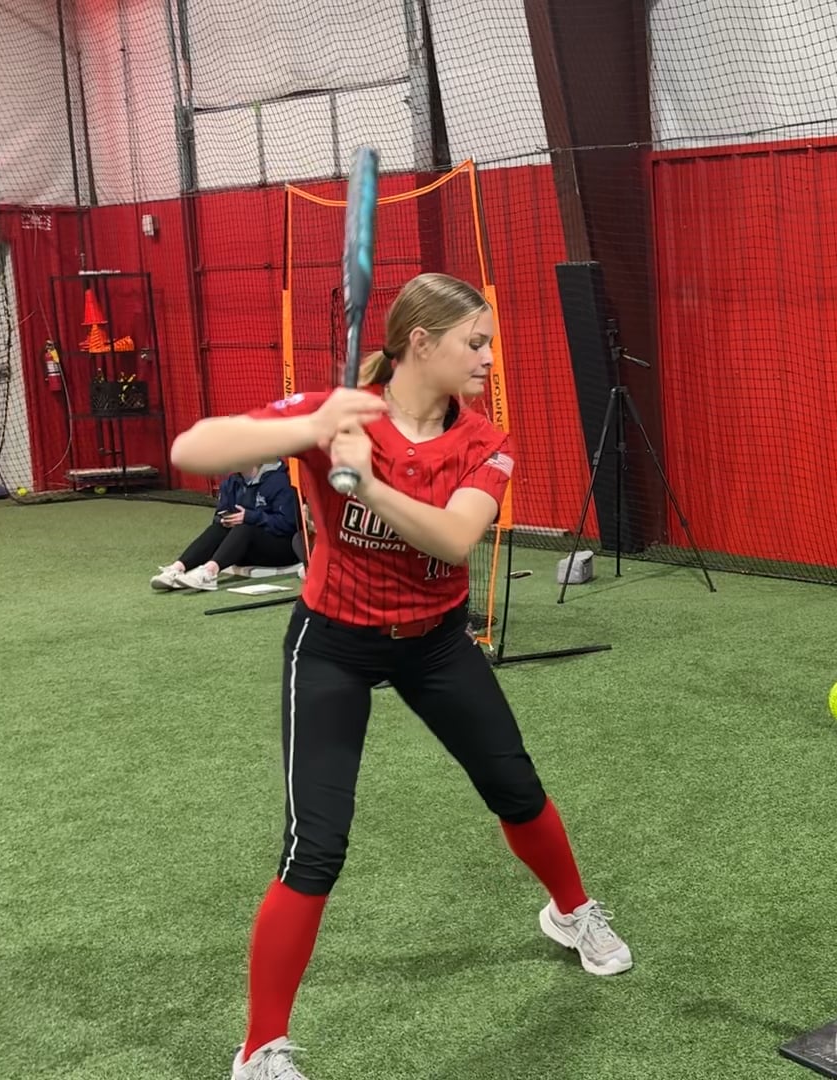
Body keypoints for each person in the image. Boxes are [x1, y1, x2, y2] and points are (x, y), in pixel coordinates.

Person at [169, 273, 631, 1080]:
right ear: (421, 342)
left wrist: (369, 483)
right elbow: (191, 450)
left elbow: (453, 539)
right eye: (474, 342)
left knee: (516, 788)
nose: (487, 358)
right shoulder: (339, 414)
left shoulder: (485, 441)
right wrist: (313, 427)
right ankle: (260, 1050)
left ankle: (572, 913)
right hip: (333, 643)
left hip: (435, 643)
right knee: (315, 847)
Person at [151, 460, 303, 591]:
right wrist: (223, 520)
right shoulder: (232, 482)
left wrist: (250, 517)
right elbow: (218, 516)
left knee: (245, 527)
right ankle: (177, 569)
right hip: (244, 548)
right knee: (218, 528)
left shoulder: (280, 481)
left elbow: (289, 525)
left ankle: (209, 572)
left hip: (281, 549)